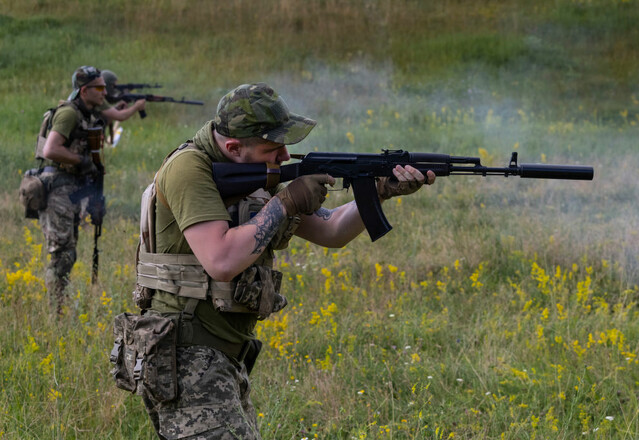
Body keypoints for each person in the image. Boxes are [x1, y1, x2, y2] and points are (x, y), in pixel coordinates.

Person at [135, 83, 436, 439]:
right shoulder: (188, 169)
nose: (284, 156)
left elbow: (331, 231)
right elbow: (220, 259)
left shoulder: (251, 171)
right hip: (186, 355)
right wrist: (286, 202)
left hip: (222, 355)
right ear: (233, 147)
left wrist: (381, 191)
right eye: (273, 147)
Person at [38, 66, 143, 314]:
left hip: (72, 188)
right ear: (85, 90)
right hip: (57, 189)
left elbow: (113, 117)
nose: (105, 91)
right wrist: (82, 161)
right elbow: (50, 150)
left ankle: (60, 306)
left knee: (68, 251)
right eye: (100, 88)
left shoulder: (89, 110)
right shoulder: (68, 114)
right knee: (62, 253)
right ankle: (56, 312)